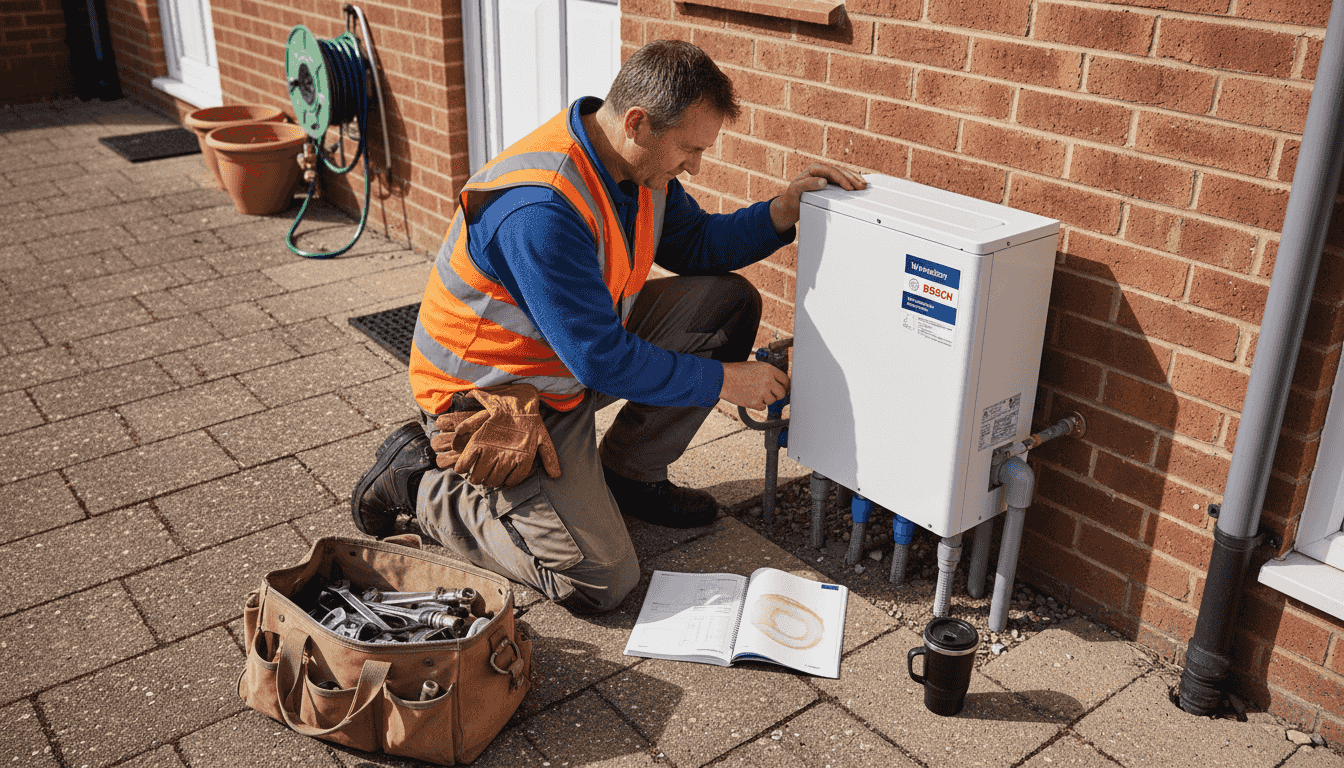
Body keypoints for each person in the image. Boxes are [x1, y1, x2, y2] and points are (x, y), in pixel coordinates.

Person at [352, 40, 865, 613]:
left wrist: (781, 211)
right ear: (641, 124)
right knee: (601, 579)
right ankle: (422, 486)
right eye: (690, 149)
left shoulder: (637, 170)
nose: (694, 165)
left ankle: (630, 476)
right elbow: (603, 361)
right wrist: (727, 382)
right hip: (492, 394)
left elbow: (696, 245)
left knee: (728, 304)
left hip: (568, 357)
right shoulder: (541, 208)